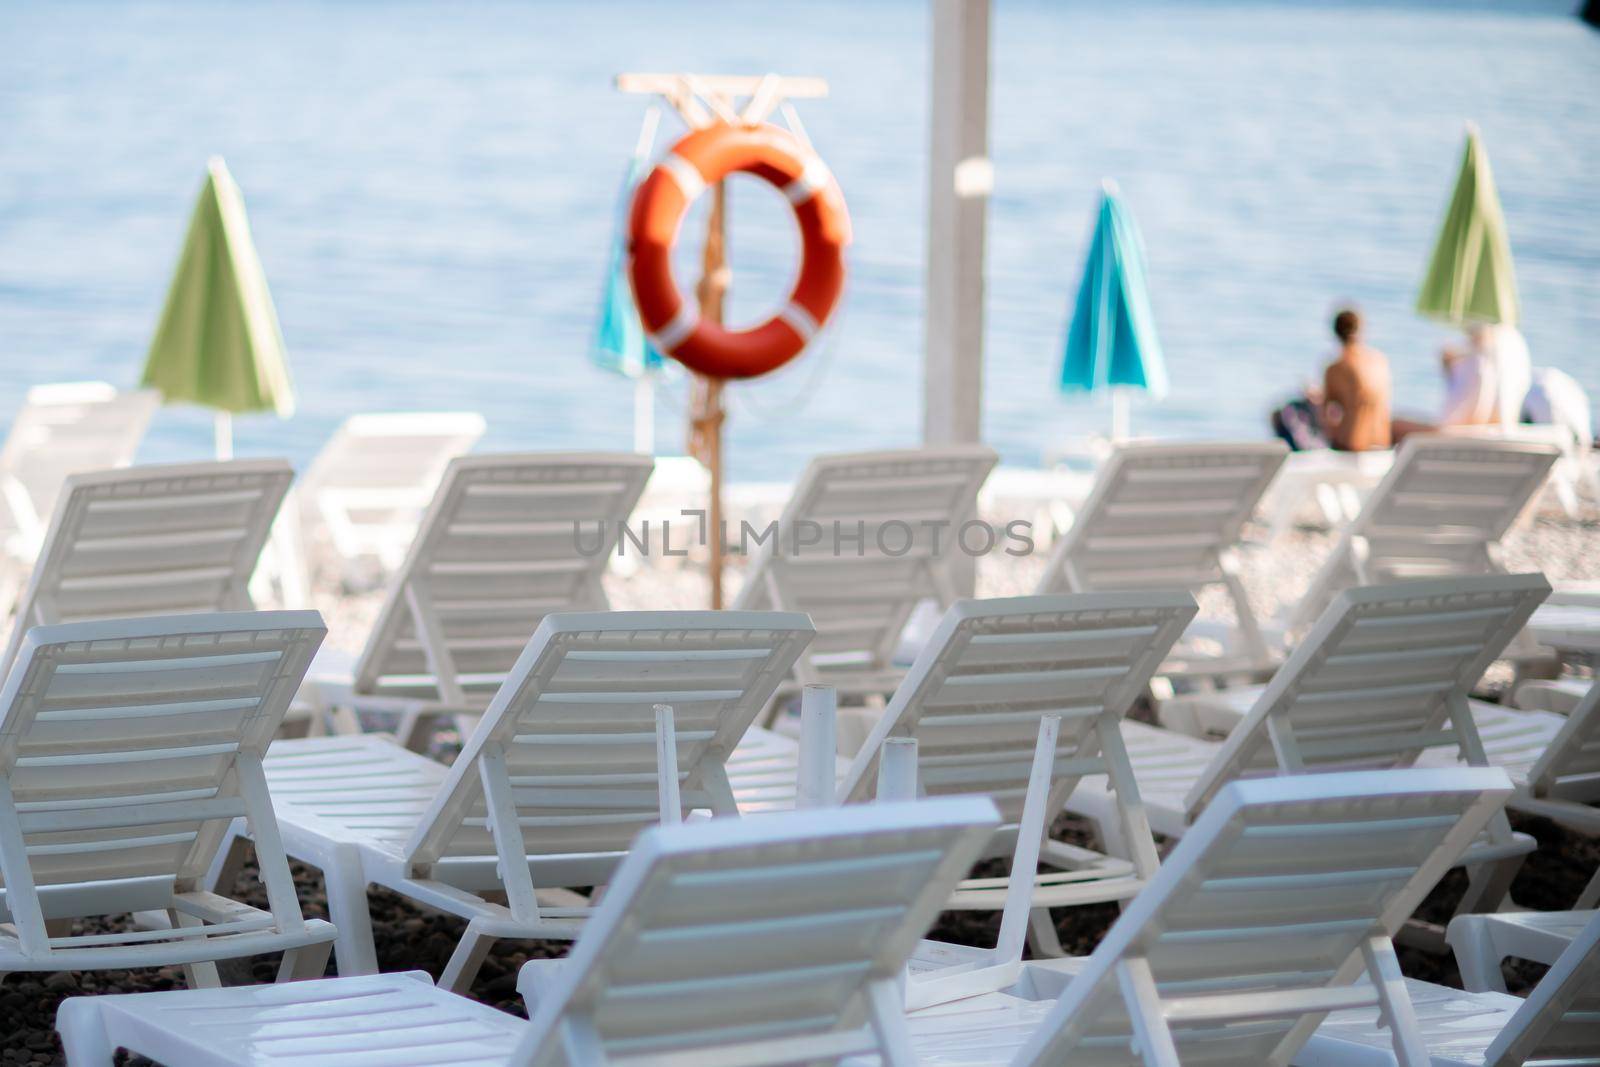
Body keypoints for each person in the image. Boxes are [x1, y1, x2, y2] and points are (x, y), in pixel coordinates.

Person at [1392, 321, 1532, 442]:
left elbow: (1462, 424)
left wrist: (1453, 371)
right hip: (1499, 436)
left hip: (1465, 442)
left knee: (1393, 425)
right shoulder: (1514, 343)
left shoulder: (1477, 361)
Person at [1317, 307, 1392, 451]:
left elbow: (1326, 415)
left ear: (1336, 333)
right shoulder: (1380, 360)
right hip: (1382, 442)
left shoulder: (1336, 368)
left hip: (1352, 445)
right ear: (1361, 330)